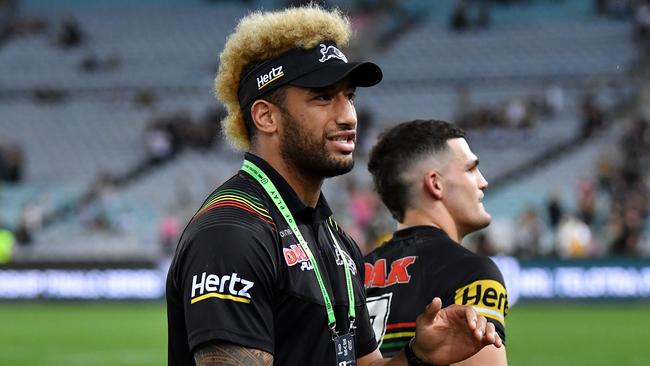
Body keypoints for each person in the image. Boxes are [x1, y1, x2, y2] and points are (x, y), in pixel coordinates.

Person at [166, 6, 501, 366]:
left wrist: (418, 356)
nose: (348, 116)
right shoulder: (233, 234)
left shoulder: (335, 238)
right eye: (323, 97)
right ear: (266, 116)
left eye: (349, 96)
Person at [364, 120, 509, 365]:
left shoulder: (350, 272)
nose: (483, 181)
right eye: (471, 169)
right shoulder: (472, 273)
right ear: (435, 183)